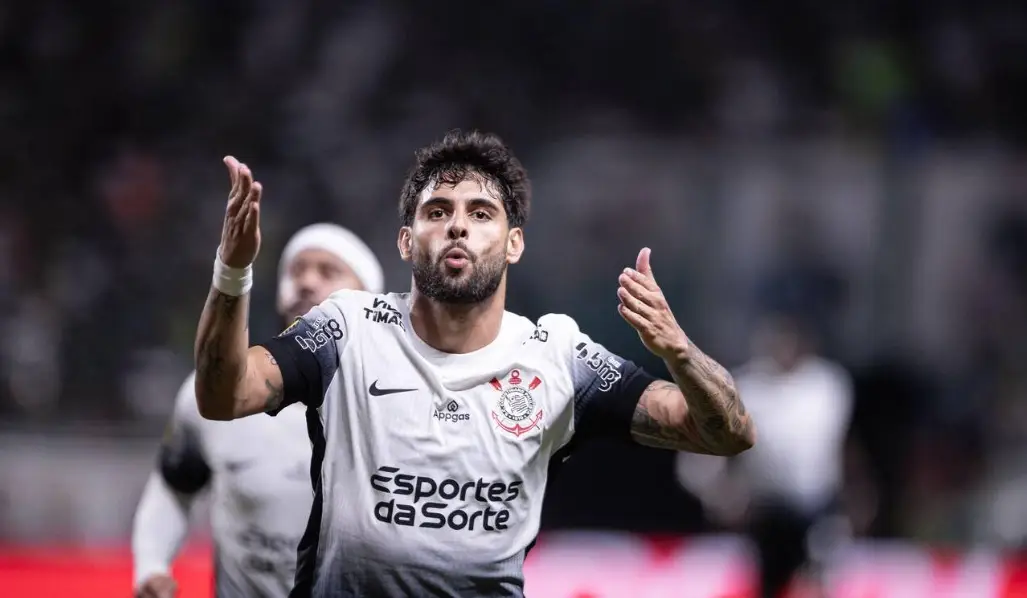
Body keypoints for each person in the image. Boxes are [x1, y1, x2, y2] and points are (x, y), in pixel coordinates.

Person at [193, 130, 756, 597]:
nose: (458, 225)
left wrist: (679, 352)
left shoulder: (558, 355)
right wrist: (232, 271)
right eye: (438, 211)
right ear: (407, 242)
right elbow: (223, 395)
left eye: (480, 213)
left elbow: (726, 433)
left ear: (513, 244)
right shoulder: (347, 329)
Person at [131, 223, 384, 598]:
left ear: (368, 300)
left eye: (328, 271)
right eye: (297, 270)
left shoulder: (394, 406)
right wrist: (151, 566)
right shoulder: (214, 398)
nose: (307, 282)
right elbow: (173, 487)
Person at [676, 307, 854, 598]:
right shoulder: (748, 388)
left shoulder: (827, 386)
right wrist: (721, 496)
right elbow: (701, 460)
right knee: (770, 584)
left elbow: (841, 446)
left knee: (817, 580)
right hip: (768, 513)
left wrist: (855, 495)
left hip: (817, 506)